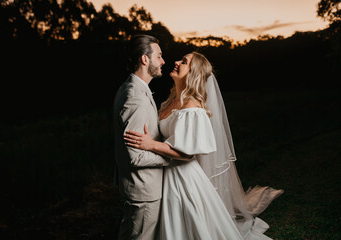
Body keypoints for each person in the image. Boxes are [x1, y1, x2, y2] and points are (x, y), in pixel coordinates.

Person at [124, 51, 284, 239]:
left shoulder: (193, 109)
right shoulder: (170, 101)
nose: (176, 62)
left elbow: (187, 154)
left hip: (182, 179)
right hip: (164, 173)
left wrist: (151, 145)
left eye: (183, 62)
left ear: (193, 73)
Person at [113, 35, 191, 240]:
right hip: (143, 191)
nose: (164, 62)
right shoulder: (135, 97)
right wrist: (172, 157)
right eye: (159, 56)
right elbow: (136, 157)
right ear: (145, 59)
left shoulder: (133, 88)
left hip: (140, 188)